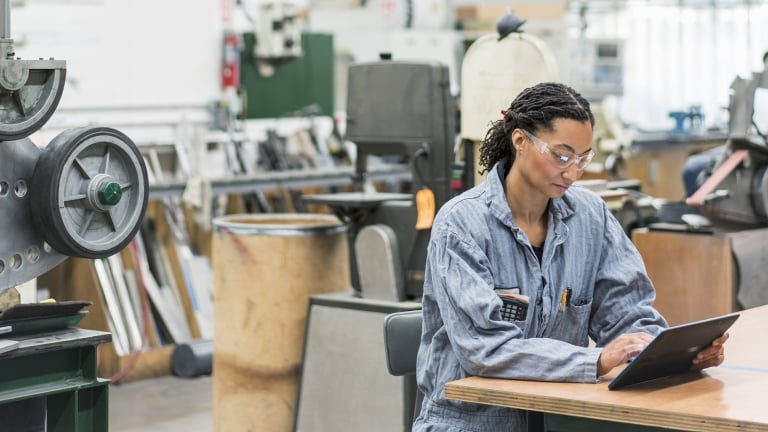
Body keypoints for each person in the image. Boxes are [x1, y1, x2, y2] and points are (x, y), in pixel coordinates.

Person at [413, 82, 729, 431]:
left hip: (558, 418)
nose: (573, 172)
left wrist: (669, 354)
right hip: (474, 422)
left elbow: (627, 312)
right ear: (520, 141)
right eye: (561, 156)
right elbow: (485, 349)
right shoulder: (461, 225)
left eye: (583, 158)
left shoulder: (590, 216)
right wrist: (595, 360)